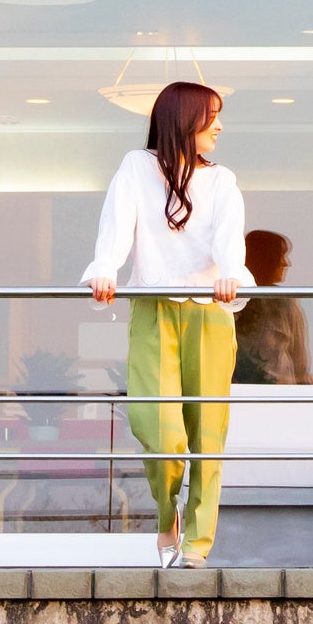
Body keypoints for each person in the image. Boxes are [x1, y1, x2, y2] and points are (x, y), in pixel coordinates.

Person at [82, 80, 246, 569]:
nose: (220, 126)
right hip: (153, 309)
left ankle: (197, 542)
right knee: (159, 429)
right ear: (184, 120)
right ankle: (166, 513)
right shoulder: (137, 167)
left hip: (209, 314)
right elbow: (117, 224)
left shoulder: (222, 180)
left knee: (207, 433)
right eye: (211, 116)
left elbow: (229, 240)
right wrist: (105, 269)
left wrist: (231, 275)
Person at [233, 230, 311, 386]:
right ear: (267, 258)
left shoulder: (284, 302)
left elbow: (299, 365)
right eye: (281, 255)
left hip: (279, 391)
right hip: (239, 390)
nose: (286, 263)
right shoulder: (232, 300)